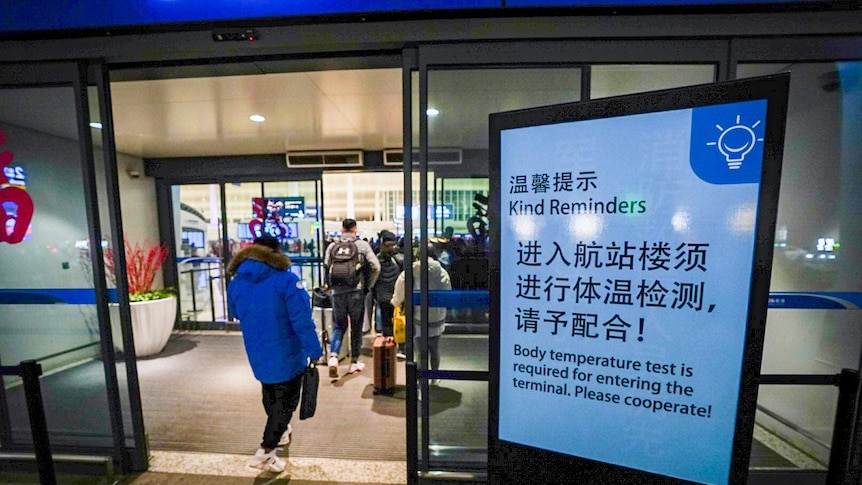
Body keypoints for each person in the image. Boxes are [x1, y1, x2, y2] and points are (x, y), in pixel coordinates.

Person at [227, 235, 323, 473]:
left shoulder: (236, 282)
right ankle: (266, 450)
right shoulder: (287, 281)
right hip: (287, 352)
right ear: (276, 253)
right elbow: (302, 321)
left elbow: (235, 312)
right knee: (286, 402)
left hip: (257, 350)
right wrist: (314, 350)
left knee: (270, 393)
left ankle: (280, 433)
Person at [323, 218, 380, 378]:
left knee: (339, 326)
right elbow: (376, 266)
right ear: (355, 229)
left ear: (342, 229)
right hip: (356, 291)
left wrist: (330, 286)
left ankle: (333, 356)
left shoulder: (333, 246)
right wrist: (368, 285)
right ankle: (354, 362)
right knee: (356, 327)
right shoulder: (361, 245)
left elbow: (326, 266)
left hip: (337, 292)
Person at [391, 243, 451, 385]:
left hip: (418, 317)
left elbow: (399, 294)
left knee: (420, 351)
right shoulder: (442, 272)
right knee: (435, 349)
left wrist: (395, 302)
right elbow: (448, 293)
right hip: (437, 316)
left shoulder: (409, 272)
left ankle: (421, 379)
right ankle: (435, 377)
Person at [373, 230, 404, 352]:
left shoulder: (376, 258)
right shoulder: (400, 258)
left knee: (386, 322)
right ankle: (400, 347)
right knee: (399, 321)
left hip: (382, 296)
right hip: (398, 296)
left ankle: (388, 347)